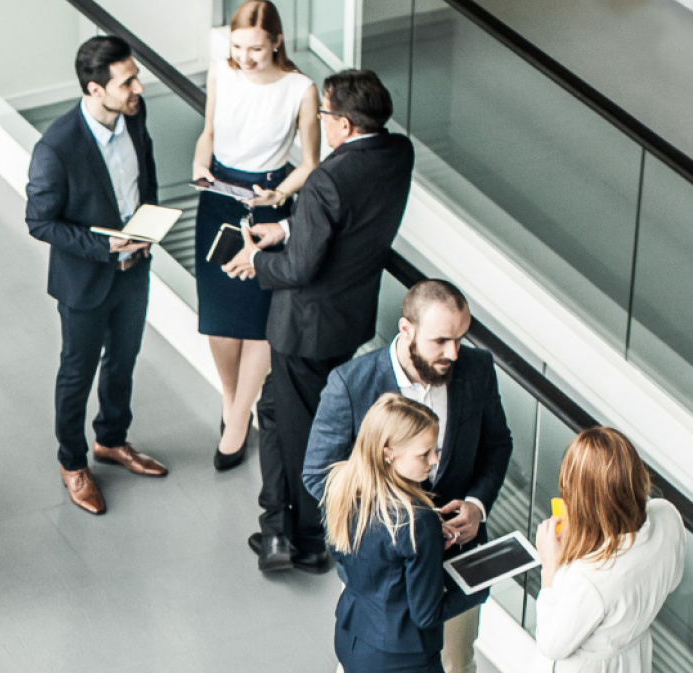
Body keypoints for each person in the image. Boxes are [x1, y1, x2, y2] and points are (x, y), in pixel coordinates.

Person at [222, 69, 414, 568]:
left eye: (325, 114)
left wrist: (256, 260)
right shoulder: (397, 153)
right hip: (348, 318)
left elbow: (301, 267)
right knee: (276, 411)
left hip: (305, 325)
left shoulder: (329, 175)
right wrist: (287, 227)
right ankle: (279, 529)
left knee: (304, 427)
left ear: (345, 125)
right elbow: (346, 223)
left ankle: (304, 538)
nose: (321, 122)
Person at [302, 280, 514, 669]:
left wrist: (476, 505)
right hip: (385, 575)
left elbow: (497, 445)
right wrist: (400, 524)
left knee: (456, 661)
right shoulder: (350, 385)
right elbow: (319, 475)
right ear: (406, 330)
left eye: (461, 339)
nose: (454, 353)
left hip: (458, 556)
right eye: (441, 341)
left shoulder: (478, 369)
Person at [26, 35, 170, 516]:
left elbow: (142, 173)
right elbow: (40, 221)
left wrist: (147, 223)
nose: (138, 88)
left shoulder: (134, 114)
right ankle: (73, 461)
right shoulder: (57, 146)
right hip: (87, 279)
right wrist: (104, 246)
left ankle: (111, 439)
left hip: (135, 268)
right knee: (77, 371)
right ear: (94, 89)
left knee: (124, 358)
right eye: (127, 81)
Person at [191, 0, 319, 471]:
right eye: (238, 46)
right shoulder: (221, 74)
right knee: (221, 317)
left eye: (255, 48)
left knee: (261, 320)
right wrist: (199, 162)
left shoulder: (301, 89)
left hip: (268, 200)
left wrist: (278, 194)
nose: (244, 56)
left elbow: (310, 164)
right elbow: (207, 132)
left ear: (277, 42)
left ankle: (238, 419)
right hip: (219, 195)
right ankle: (233, 399)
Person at [322, 394, 485, 673]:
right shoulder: (417, 522)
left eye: (435, 449)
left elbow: (363, 561)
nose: (435, 460)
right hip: (401, 659)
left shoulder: (344, 489)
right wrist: (479, 587)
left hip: (352, 635)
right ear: (388, 453)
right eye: (424, 453)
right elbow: (426, 614)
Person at [534, 428, 685, 673]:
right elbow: (672, 580)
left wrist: (550, 567)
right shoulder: (667, 516)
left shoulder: (590, 579)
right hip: (632, 660)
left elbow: (552, 644)